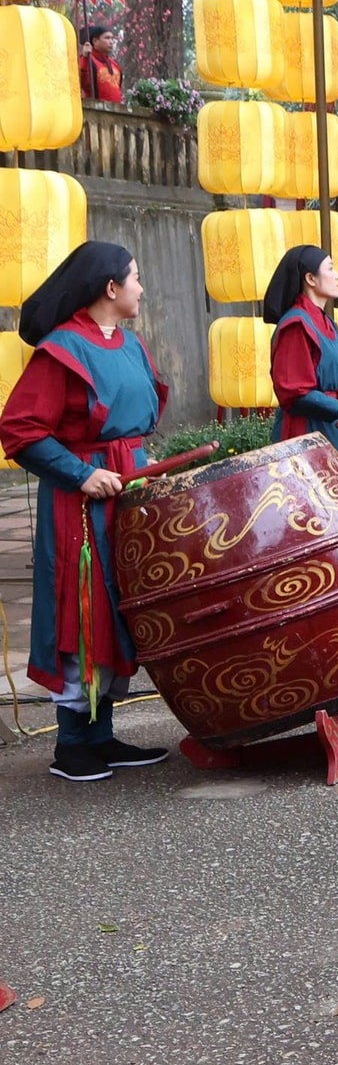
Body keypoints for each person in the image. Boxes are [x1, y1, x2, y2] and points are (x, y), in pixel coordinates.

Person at [0, 244, 169, 781]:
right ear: (110, 288)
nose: (142, 288)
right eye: (136, 278)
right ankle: (72, 745)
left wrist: (143, 458)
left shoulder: (129, 343)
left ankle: (102, 738)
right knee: (84, 612)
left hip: (127, 497)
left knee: (118, 612)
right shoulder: (61, 350)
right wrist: (81, 473)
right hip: (79, 506)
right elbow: (20, 431)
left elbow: (130, 423)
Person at [263, 245, 338, 464]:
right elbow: (295, 393)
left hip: (333, 429)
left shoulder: (328, 323)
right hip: (305, 434)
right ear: (310, 279)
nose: (337, 275)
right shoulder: (296, 325)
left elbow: (336, 390)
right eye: (330, 269)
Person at [77, 26, 123, 104]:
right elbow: (82, 81)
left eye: (112, 38)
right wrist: (85, 57)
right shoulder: (87, 60)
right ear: (95, 41)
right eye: (107, 38)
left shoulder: (115, 65)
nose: (111, 42)